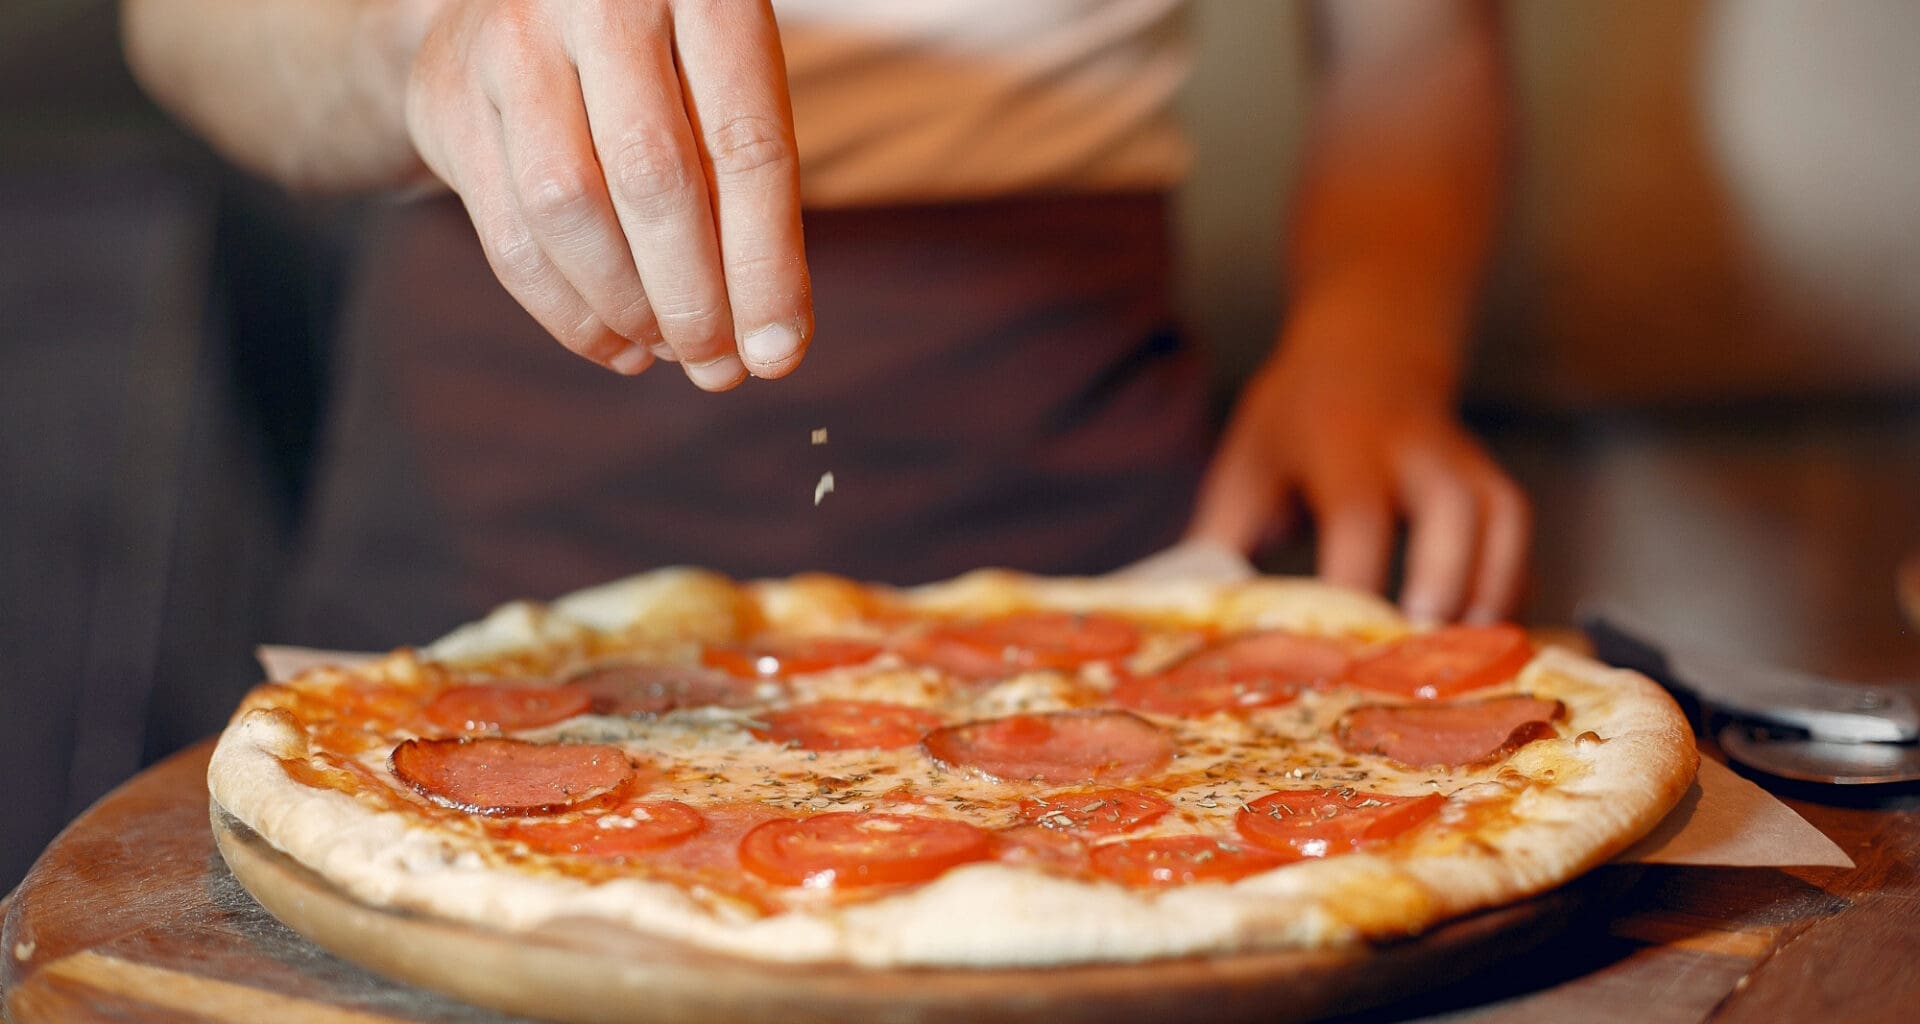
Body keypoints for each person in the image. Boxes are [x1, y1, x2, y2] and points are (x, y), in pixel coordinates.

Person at [121, 0, 1527, 645]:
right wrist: (413, 41)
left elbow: (1413, 43)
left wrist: (1372, 344)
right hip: (472, 518)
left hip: (1095, 556)